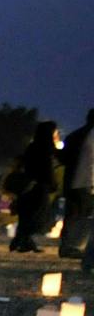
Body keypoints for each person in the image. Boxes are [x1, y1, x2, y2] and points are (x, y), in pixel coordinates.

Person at [6, 121, 62, 253]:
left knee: (27, 215)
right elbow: (47, 169)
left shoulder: (32, 146)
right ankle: (23, 240)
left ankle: (22, 241)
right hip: (39, 186)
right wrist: (52, 183)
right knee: (35, 215)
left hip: (28, 186)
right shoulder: (46, 148)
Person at [59, 109, 94, 260]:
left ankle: (67, 245)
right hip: (88, 181)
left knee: (72, 214)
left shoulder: (74, 135)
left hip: (72, 180)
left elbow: (63, 158)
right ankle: (75, 246)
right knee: (84, 215)